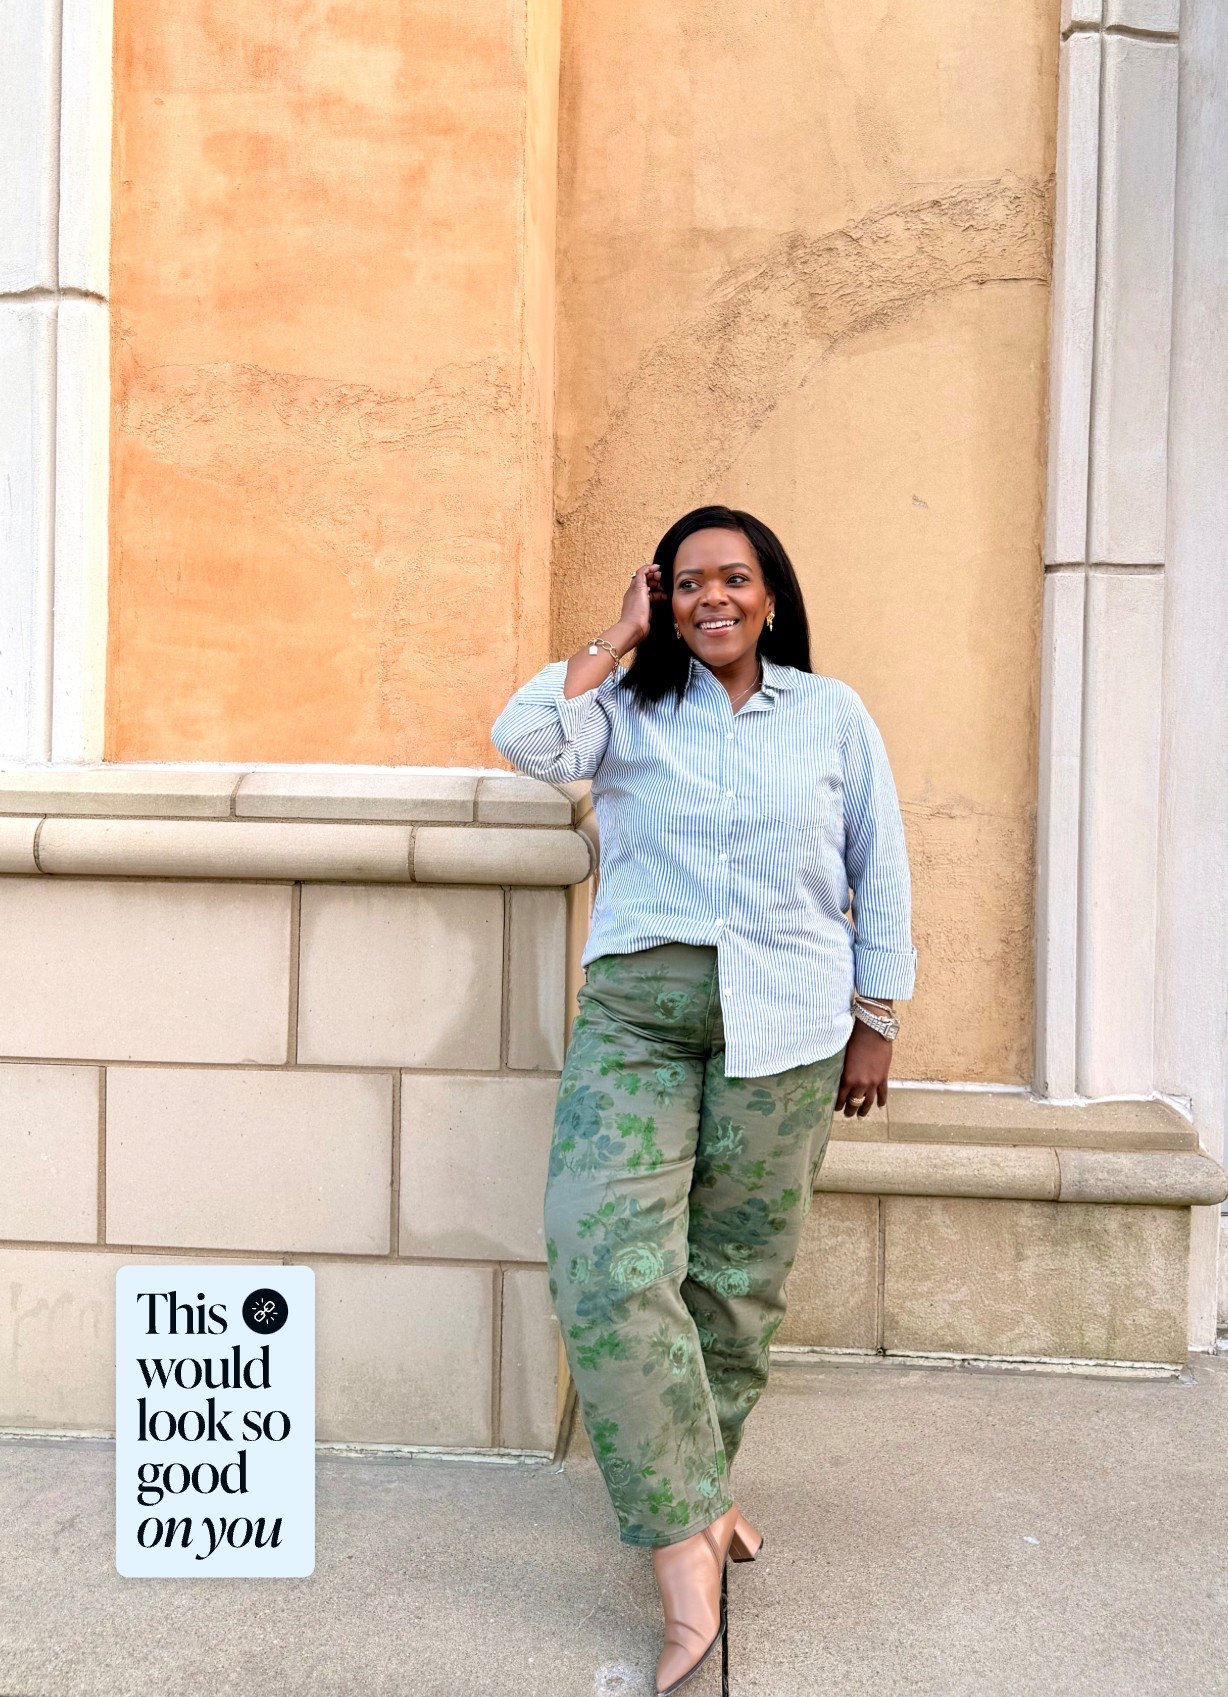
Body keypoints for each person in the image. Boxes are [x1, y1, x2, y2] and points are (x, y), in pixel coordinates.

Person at [490, 505, 917, 1695]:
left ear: (770, 594)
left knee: (735, 1282)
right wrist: (615, 636)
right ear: (663, 597)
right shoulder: (625, 705)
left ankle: (705, 1494)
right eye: (687, 583)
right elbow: (526, 737)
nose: (711, 598)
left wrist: (875, 1019)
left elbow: (879, 863)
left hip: (786, 1019)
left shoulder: (830, 715)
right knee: (601, 1254)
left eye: (733, 578)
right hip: (640, 1012)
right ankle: (687, 1548)